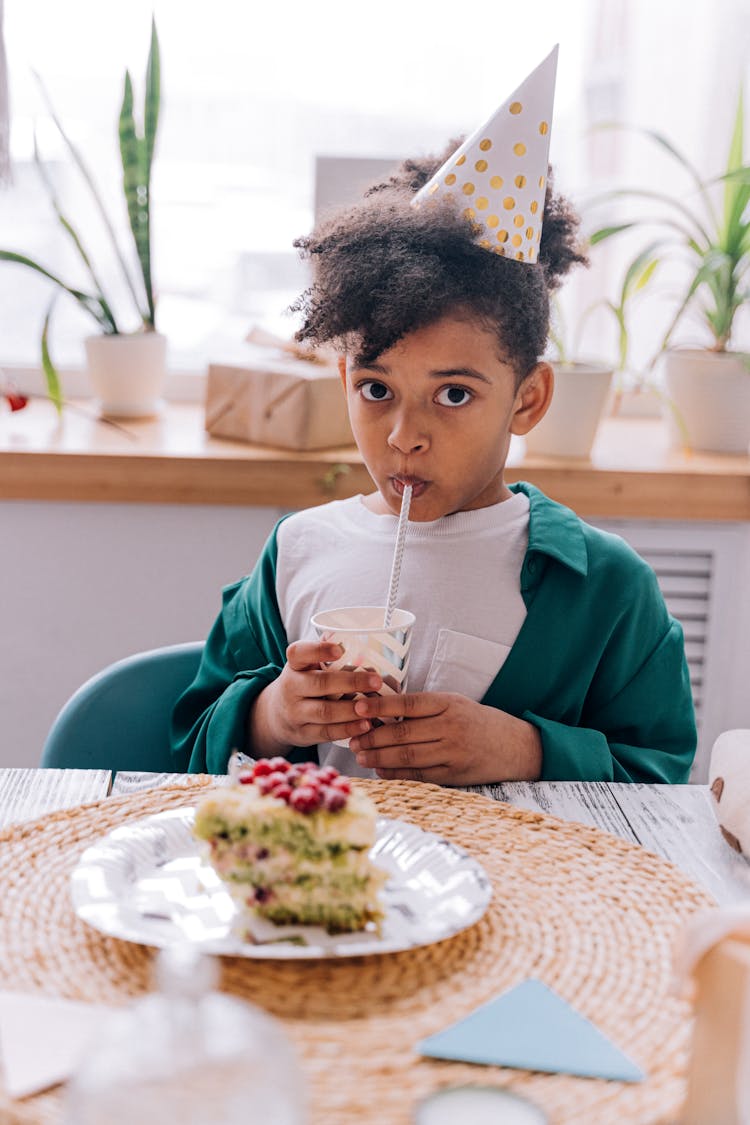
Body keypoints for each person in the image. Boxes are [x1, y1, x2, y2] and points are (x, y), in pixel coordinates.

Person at [171, 60, 696, 786]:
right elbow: (186, 743)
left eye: (453, 395)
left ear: (529, 399)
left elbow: (663, 782)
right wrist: (272, 713)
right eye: (377, 388)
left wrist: (526, 751)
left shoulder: (606, 588)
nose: (403, 436)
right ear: (343, 380)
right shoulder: (296, 553)